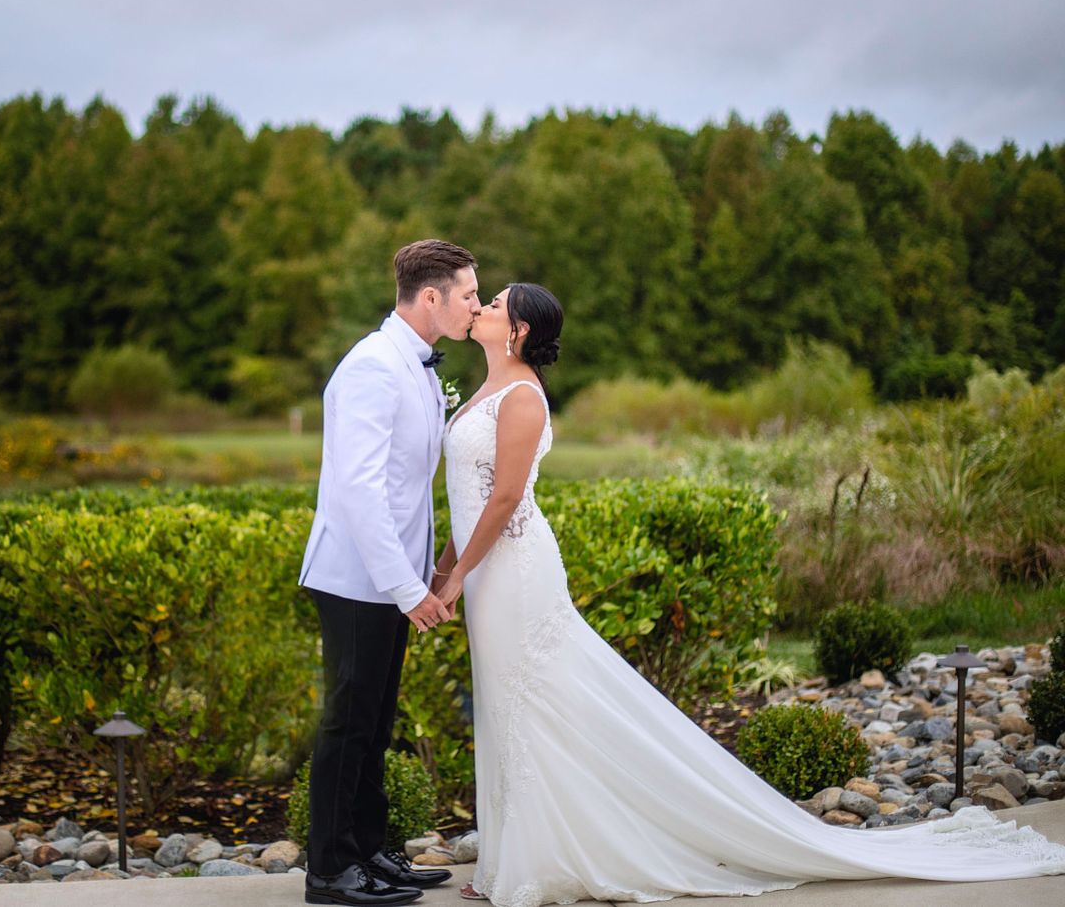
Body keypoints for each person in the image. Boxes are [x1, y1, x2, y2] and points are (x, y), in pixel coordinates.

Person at [433, 282, 1065, 906]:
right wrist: (444, 571)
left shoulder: (523, 397)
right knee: (505, 705)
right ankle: (512, 857)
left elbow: (505, 498)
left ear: (518, 330)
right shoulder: (486, 389)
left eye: (496, 303)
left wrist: (457, 577)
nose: (483, 306)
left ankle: (538, 862)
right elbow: (469, 497)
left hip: (516, 572)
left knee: (528, 705)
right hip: (486, 573)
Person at [300, 239, 482, 906]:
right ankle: (329, 871)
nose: (476, 305)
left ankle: (368, 852)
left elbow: (408, 487)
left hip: (392, 577)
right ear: (431, 297)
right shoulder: (372, 366)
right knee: (348, 722)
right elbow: (361, 490)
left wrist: (423, 573)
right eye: (469, 294)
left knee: (376, 724)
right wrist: (406, 587)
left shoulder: (418, 365)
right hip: (356, 580)